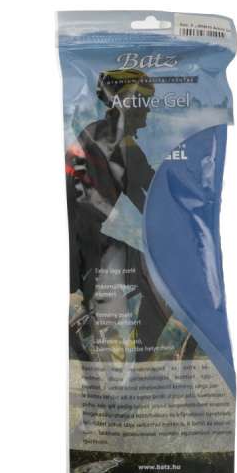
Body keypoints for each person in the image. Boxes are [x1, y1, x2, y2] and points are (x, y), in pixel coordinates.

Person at [66, 69, 170, 362]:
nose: (148, 110)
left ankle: (90, 335)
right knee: (158, 286)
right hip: (90, 245)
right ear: (128, 104)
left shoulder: (100, 135)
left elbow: (146, 193)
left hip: (88, 243)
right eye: (144, 102)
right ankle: (138, 359)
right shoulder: (110, 141)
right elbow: (146, 194)